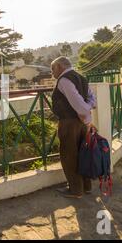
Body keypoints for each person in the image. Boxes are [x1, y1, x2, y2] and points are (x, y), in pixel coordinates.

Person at [50, 57, 97, 199]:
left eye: (53, 69)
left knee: (69, 156)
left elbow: (79, 105)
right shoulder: (81, 78)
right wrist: (87, 111)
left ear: (59, 66)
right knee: (83, 154)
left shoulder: (64, 80)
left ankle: (76, 190)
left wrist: (85, 110)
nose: (52, 73)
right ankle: (86, 186)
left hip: (69, 123)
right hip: (82, 123)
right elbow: (92, 100)